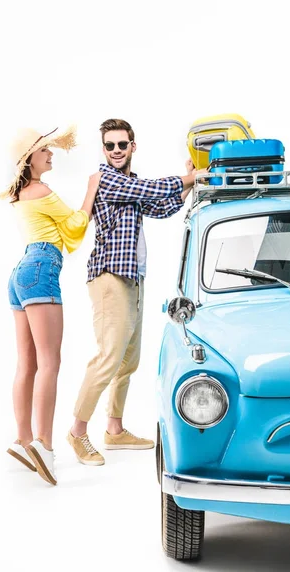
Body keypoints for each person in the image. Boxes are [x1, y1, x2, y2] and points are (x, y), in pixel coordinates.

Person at [67, 118, 201, 466]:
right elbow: (152, 191)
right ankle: (77, 431)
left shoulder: (132, 182)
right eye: (109, 145)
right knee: (109, 357)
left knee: (129, 360)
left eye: (121, 145)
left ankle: (114, 429)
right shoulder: (105, 179)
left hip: (133, 278)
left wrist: (187, 184)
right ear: (103, 149)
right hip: (110, 277)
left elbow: (163, 206)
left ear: (132, 147)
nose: (115, 151)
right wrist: (189, 177)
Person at [0, 126, 100, 485]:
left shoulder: (22, 193)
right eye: (45, 151)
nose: (51, 155)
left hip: (20, 273)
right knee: (50, 362)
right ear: (30, 159)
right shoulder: (40, 189)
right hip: (41, 268)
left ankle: (23, 439)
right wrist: (91, 191)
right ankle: (43, 443)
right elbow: (74, 226)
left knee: (26, 363)